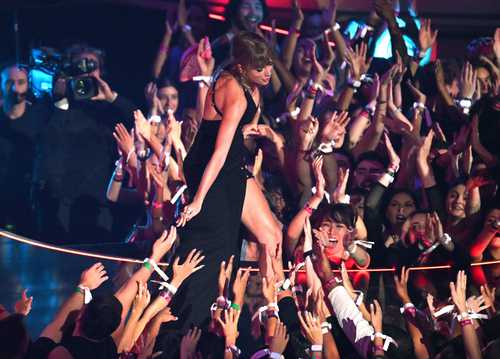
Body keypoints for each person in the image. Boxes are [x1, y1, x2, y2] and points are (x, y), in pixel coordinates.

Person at [172, 32, 281, 330]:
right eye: (260, 68)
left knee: (271, 236)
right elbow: (218, 151)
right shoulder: (234, 90)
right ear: (243, 67)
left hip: (229, 165)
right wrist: (197, 200)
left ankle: (272, 307)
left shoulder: (238, 79)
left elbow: (221, 135)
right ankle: (265, 311)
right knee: (228, 245)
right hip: (216, 169)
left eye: (269, 64)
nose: (268, 72)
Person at [0, 63, 51, 236]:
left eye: (21, 82)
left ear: (28, 84)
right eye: (9, 82)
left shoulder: (39, 116)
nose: (15, 88)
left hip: (28, 199)